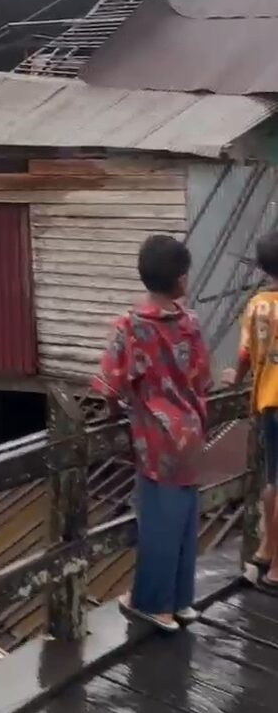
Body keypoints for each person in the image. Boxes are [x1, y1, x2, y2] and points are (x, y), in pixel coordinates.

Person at [92, 233, 211, 633]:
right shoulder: (190, 323)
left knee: (158, 521)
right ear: (179, 280)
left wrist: (115, 414)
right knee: (184, 518)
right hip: (192, 431)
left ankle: (155, 607)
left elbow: (109, 386)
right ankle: (180, 601)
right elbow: (203, 379)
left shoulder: (131, 326)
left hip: (155, 439)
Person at [222, 231, 278, 587]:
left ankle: (266, 550)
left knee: (273, 480)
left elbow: (245, 354)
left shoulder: (257, 304)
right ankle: (276, 569)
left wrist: (236, 375)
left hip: (268, 403)